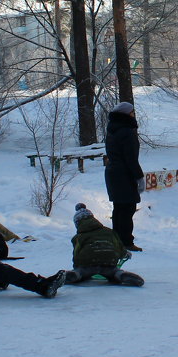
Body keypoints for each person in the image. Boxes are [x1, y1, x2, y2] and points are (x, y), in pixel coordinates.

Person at [64, 204, 144, 286]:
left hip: (87, 265)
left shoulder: (79, 237)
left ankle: (74, 275)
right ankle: (120, 275)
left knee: (81, 272)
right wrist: (124, 253)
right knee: (114, 272)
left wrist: (76, 266)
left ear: (77, 224)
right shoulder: (109, 232)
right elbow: (119, 247)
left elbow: (76, 253)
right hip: (109, 263)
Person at [104, 101, 144, 252]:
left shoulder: (112, 129)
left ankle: (117, 240)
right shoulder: (127, 131)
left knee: (119, 209)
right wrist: (139, 177)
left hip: (113, 173)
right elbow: (131, 158)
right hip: (124, 175)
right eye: (132, 112)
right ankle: (126, 242)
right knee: (127, 209)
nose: (134, 115)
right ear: (128, 114)